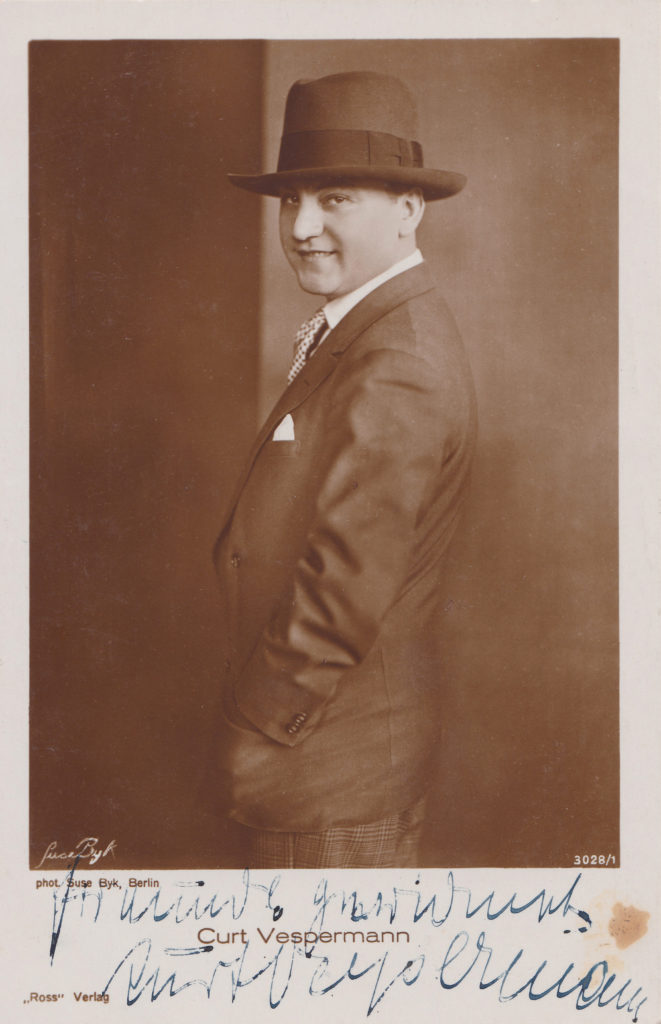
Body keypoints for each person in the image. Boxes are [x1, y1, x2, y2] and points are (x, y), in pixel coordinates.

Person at [213, 71, 477, 868]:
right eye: (291, 200)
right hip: (333, 764)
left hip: (325, 773)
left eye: (335, 199)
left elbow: (343, 587)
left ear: (408, 210)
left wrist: (256, 731)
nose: (301, 227)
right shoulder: (372, 330)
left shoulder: (397, 357)